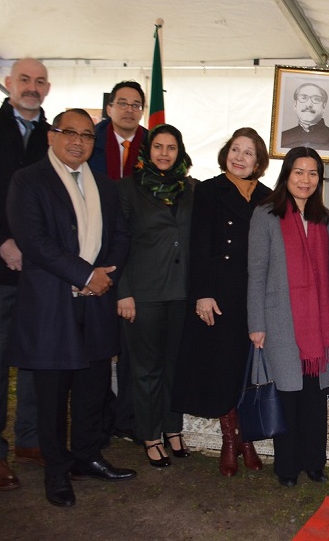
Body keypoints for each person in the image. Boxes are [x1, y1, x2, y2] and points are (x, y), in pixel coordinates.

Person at [7, 108, 136, 507]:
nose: (78, 141)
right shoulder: (28, 181)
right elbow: (35, 241)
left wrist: (106, 275)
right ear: (52, 136)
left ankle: (87, 457)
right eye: (69, 133)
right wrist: (85, 275)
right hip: (53, 305)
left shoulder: (103, 184)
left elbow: (119, 234)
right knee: (51, 396)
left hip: (96, 304)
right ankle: (56, 471)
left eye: (86, 135)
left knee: (92, 389)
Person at [172, 128, 270, 476]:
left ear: (259, 161)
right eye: (235, 149)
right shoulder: (209, 190)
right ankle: (232, 441)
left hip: (254, 294)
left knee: (248, 367)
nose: (240, 157)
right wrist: (202, 292)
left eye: (248, 153)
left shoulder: (268, 196)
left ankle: (247, 438)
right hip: (219, 294)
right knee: (223, 367)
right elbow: (198, 242)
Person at [0, 58, 48, 490]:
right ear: (7, 83)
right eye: (24, 79)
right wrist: (0, 241)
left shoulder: (55, 137)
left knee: (36, 358)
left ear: (48, 87)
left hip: (39, 273)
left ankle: (30, 439)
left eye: (39, 81)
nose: (31, 87)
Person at [247, 147, 329, 486]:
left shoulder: (322, 218)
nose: (306, 179)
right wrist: (256, 324)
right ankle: (287, 467)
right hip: (280, 321)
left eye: (313, 173)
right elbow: (256, 272)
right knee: (288, 394)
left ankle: (314, 463)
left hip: (317, 324)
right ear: (287, 175)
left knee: (314, 397)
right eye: (299, 172)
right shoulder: (266, 214)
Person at [116, 124, 196, 468]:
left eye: (171, 147)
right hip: (143, 294)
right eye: (158, 147)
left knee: (175, 367)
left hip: (182, 293)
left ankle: (173, 429)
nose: (164, 153)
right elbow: (117, 244)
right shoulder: (128, 189)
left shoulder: (192, 188)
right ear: (147, 150)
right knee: (146, 369)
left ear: (180, 152)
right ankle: (149, 435)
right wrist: (123, 292)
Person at [89, 80, 149, 444]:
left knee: (130, 347)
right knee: (95, 346)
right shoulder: (89, 142)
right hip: (91, 254)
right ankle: (96, 420)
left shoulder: (153, 145)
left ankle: (126, 417)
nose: (129, 109)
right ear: (110, 107)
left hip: (136, 259)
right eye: (122, 103)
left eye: (136, 104)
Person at [279, 83, 329, 150]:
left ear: (324, 106)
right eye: (303, 98)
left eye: (316, 99)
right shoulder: (282, 138)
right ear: (295, 105)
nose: (308, 104)